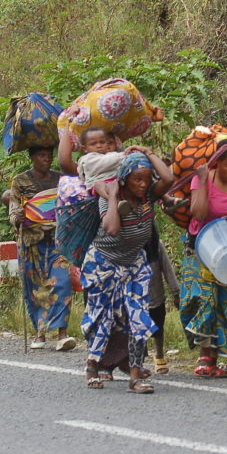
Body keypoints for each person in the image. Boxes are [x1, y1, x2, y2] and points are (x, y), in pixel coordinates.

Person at [80, 149, 174, 392]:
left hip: (133, 264)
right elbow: (111, 228)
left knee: (138, 316)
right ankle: (92, 365)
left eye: (146, 178)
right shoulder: (110, 196)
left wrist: (149, 153)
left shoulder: (149, 196)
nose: (143, 184)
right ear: (124, 180)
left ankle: (135, 375)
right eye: (137, 180)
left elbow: (169, 179)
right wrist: (112, 198)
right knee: (103, 317)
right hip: (103, 264)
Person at [180, 142, 227, 377]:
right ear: (216, 163)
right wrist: (201, 181)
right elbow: (199, 213)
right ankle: (205, 355)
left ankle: (221, 358)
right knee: (205, 300)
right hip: (202, 250)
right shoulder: (202, 180)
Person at [8, 146, 77, 351]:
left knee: (63, 282)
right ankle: (40, 332)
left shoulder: (61, 180)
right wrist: (17, 218)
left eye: (49, 156)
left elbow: (69, 204)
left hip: (58, 241)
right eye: (41, 156)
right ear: (32, 157)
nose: (46, 159)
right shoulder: (20, 182)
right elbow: (13, 208)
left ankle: (62, 333)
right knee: (36, 287)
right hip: (31, 242)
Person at [148, 240, 180, 374]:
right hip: (135, 296)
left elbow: (167, 269)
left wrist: (176, 292)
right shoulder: (128, 243)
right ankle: (137, 357)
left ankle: (159, 355)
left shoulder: (156, 244)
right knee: (136, 327)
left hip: (155, 294)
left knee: (158, 326)